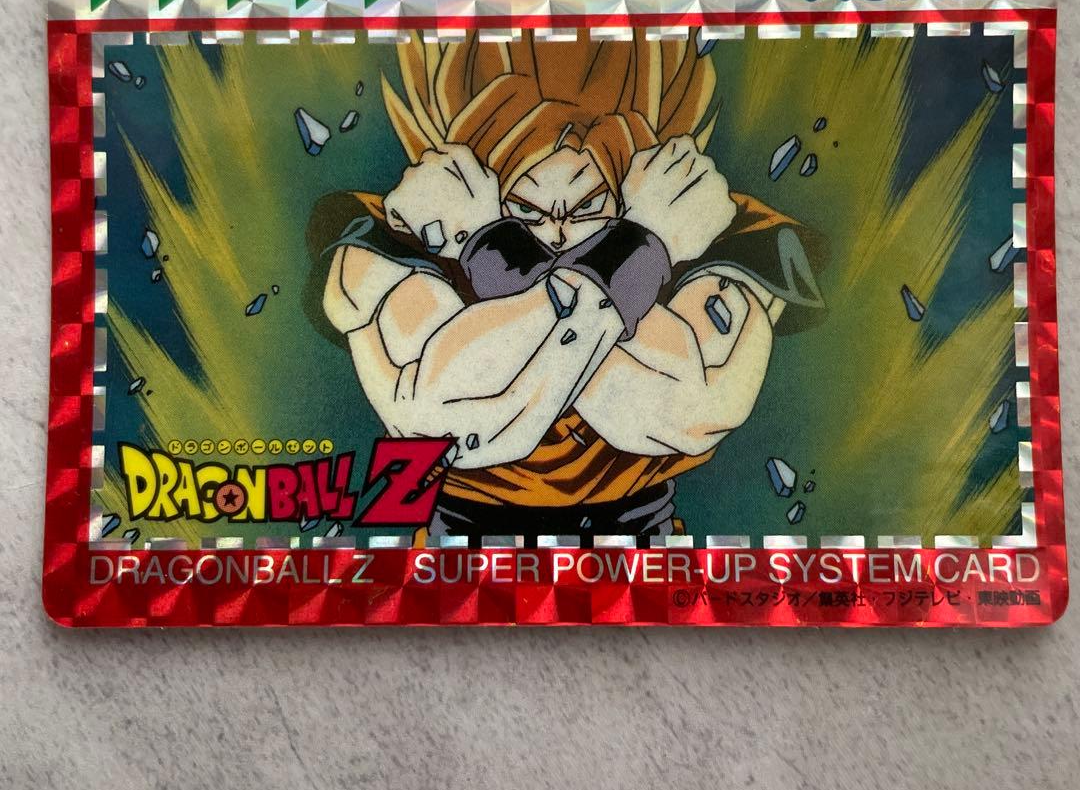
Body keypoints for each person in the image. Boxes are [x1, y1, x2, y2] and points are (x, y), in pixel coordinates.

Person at [307, 29, 824, 543]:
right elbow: (443, 423)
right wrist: (639, 249)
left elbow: (690, 409)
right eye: (525, 210)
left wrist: (493, 247)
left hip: (643, 548)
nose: (556, 234)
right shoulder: (389, 239)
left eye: (589, 207)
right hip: (457, 553)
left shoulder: (713, 231)